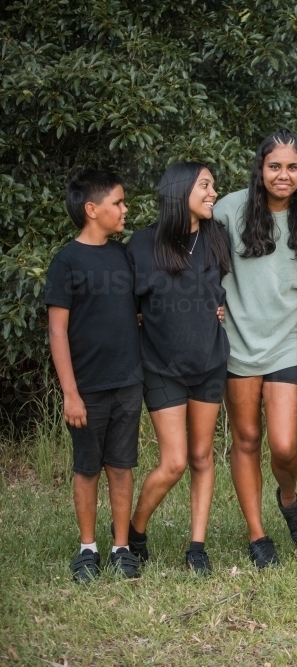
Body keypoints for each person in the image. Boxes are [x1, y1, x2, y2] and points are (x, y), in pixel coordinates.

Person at [213, 129, 297, 568]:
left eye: (292, 167)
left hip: (288, 342)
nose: (282, 175)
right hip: (238, 342)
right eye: (274, 166)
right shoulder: (229, 210)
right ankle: (256, 533)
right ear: (260, 168)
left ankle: (287, 498)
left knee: (283, 445)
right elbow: (191, 255)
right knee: (246, 438)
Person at [125, 162, 231, 575]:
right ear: (179, 189)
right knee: (174, 462)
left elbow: (216, 292)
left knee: (203, 456)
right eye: (205, 185)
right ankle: (135, 531)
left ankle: (197, 548)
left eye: (213, 186)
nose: (213, 193)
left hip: (208, 362)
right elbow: (127, 305)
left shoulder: (215, 238)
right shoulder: (141, 244)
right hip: (161, 365)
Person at [46, 170, 144, 582]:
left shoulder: (123, 255)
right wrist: (71, 393)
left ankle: (121, 546)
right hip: (86, 388)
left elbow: (139, 311)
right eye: (118, 203)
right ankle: (88, 549)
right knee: (87, 468)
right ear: (92, 209)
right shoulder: (66, 261)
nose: (125, 210)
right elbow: (57, 330)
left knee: (121, 466)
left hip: (127, 382)